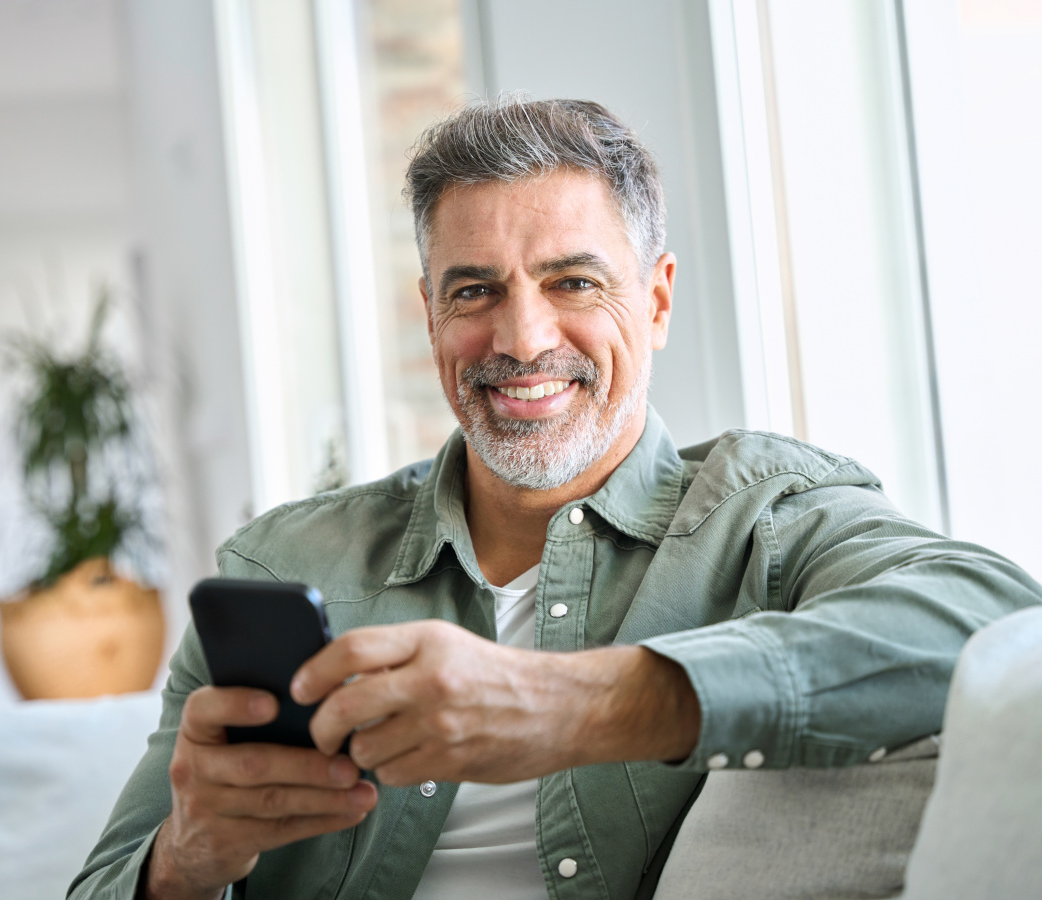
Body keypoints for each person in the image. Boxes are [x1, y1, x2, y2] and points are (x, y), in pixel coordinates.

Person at [69, 98, 1042, 900]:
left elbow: (998, 623)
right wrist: (185, 860)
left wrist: (579, 706)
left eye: (572, 281)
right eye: (473, 291)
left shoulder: (764, 517)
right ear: (430, 313)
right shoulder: (283, 563)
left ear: (656, 302)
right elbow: (105, 883)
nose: (523, 338)